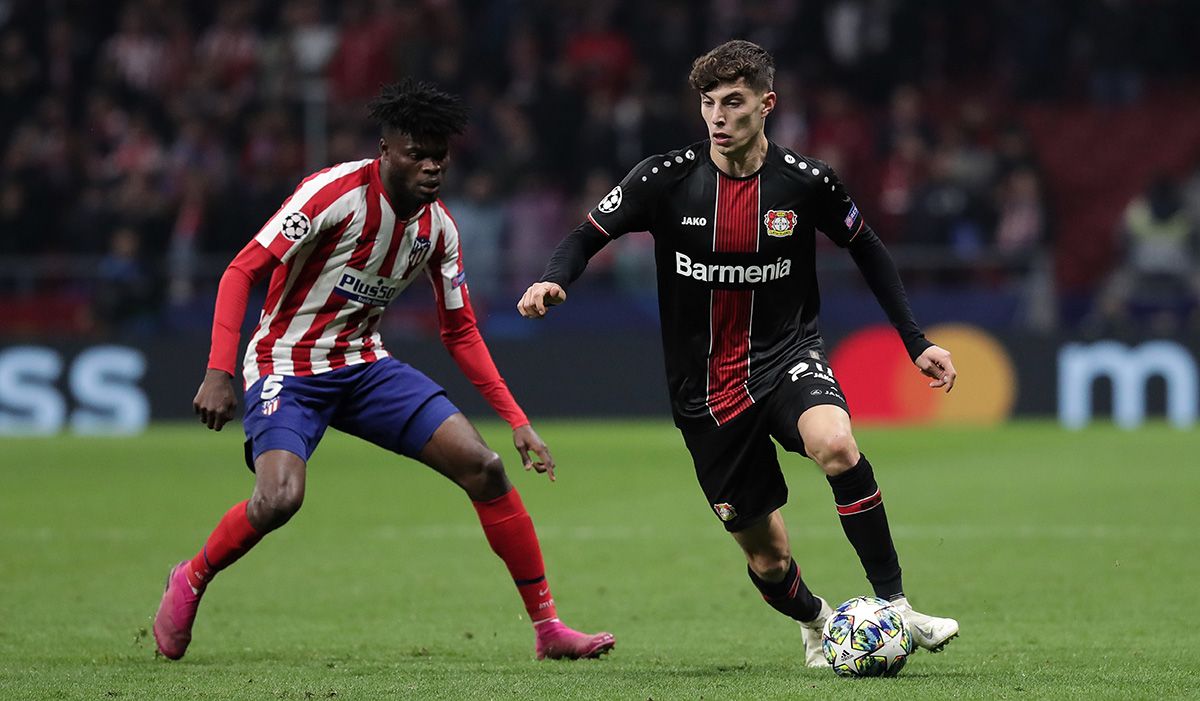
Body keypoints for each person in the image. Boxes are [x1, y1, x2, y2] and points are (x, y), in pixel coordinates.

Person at [517, 40, 958, 667]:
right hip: (705, 393)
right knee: (768, 556)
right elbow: (586, 234)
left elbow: (869, 249)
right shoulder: (664, 179)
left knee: (836, 444)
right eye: (708, 104)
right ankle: (819, 622)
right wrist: (553, 278)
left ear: (766, 104)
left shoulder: (806, 182)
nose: (718, 117)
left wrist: (916, 342)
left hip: (787, 355)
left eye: (734, 102)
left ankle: (896, 606)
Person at [153, 79, 615, 662]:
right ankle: (191, 577)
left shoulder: (438, 229)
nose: (431, 166)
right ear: (385, 150)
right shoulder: (330, 194)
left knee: (486, 467)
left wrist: (516, 419)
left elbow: (461, 330)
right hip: (287, 365)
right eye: (416, 153)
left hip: (365, 366)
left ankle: (549, 629)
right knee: (278, 500)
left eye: (439, 156)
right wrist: (220, 370)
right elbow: (240, 272)